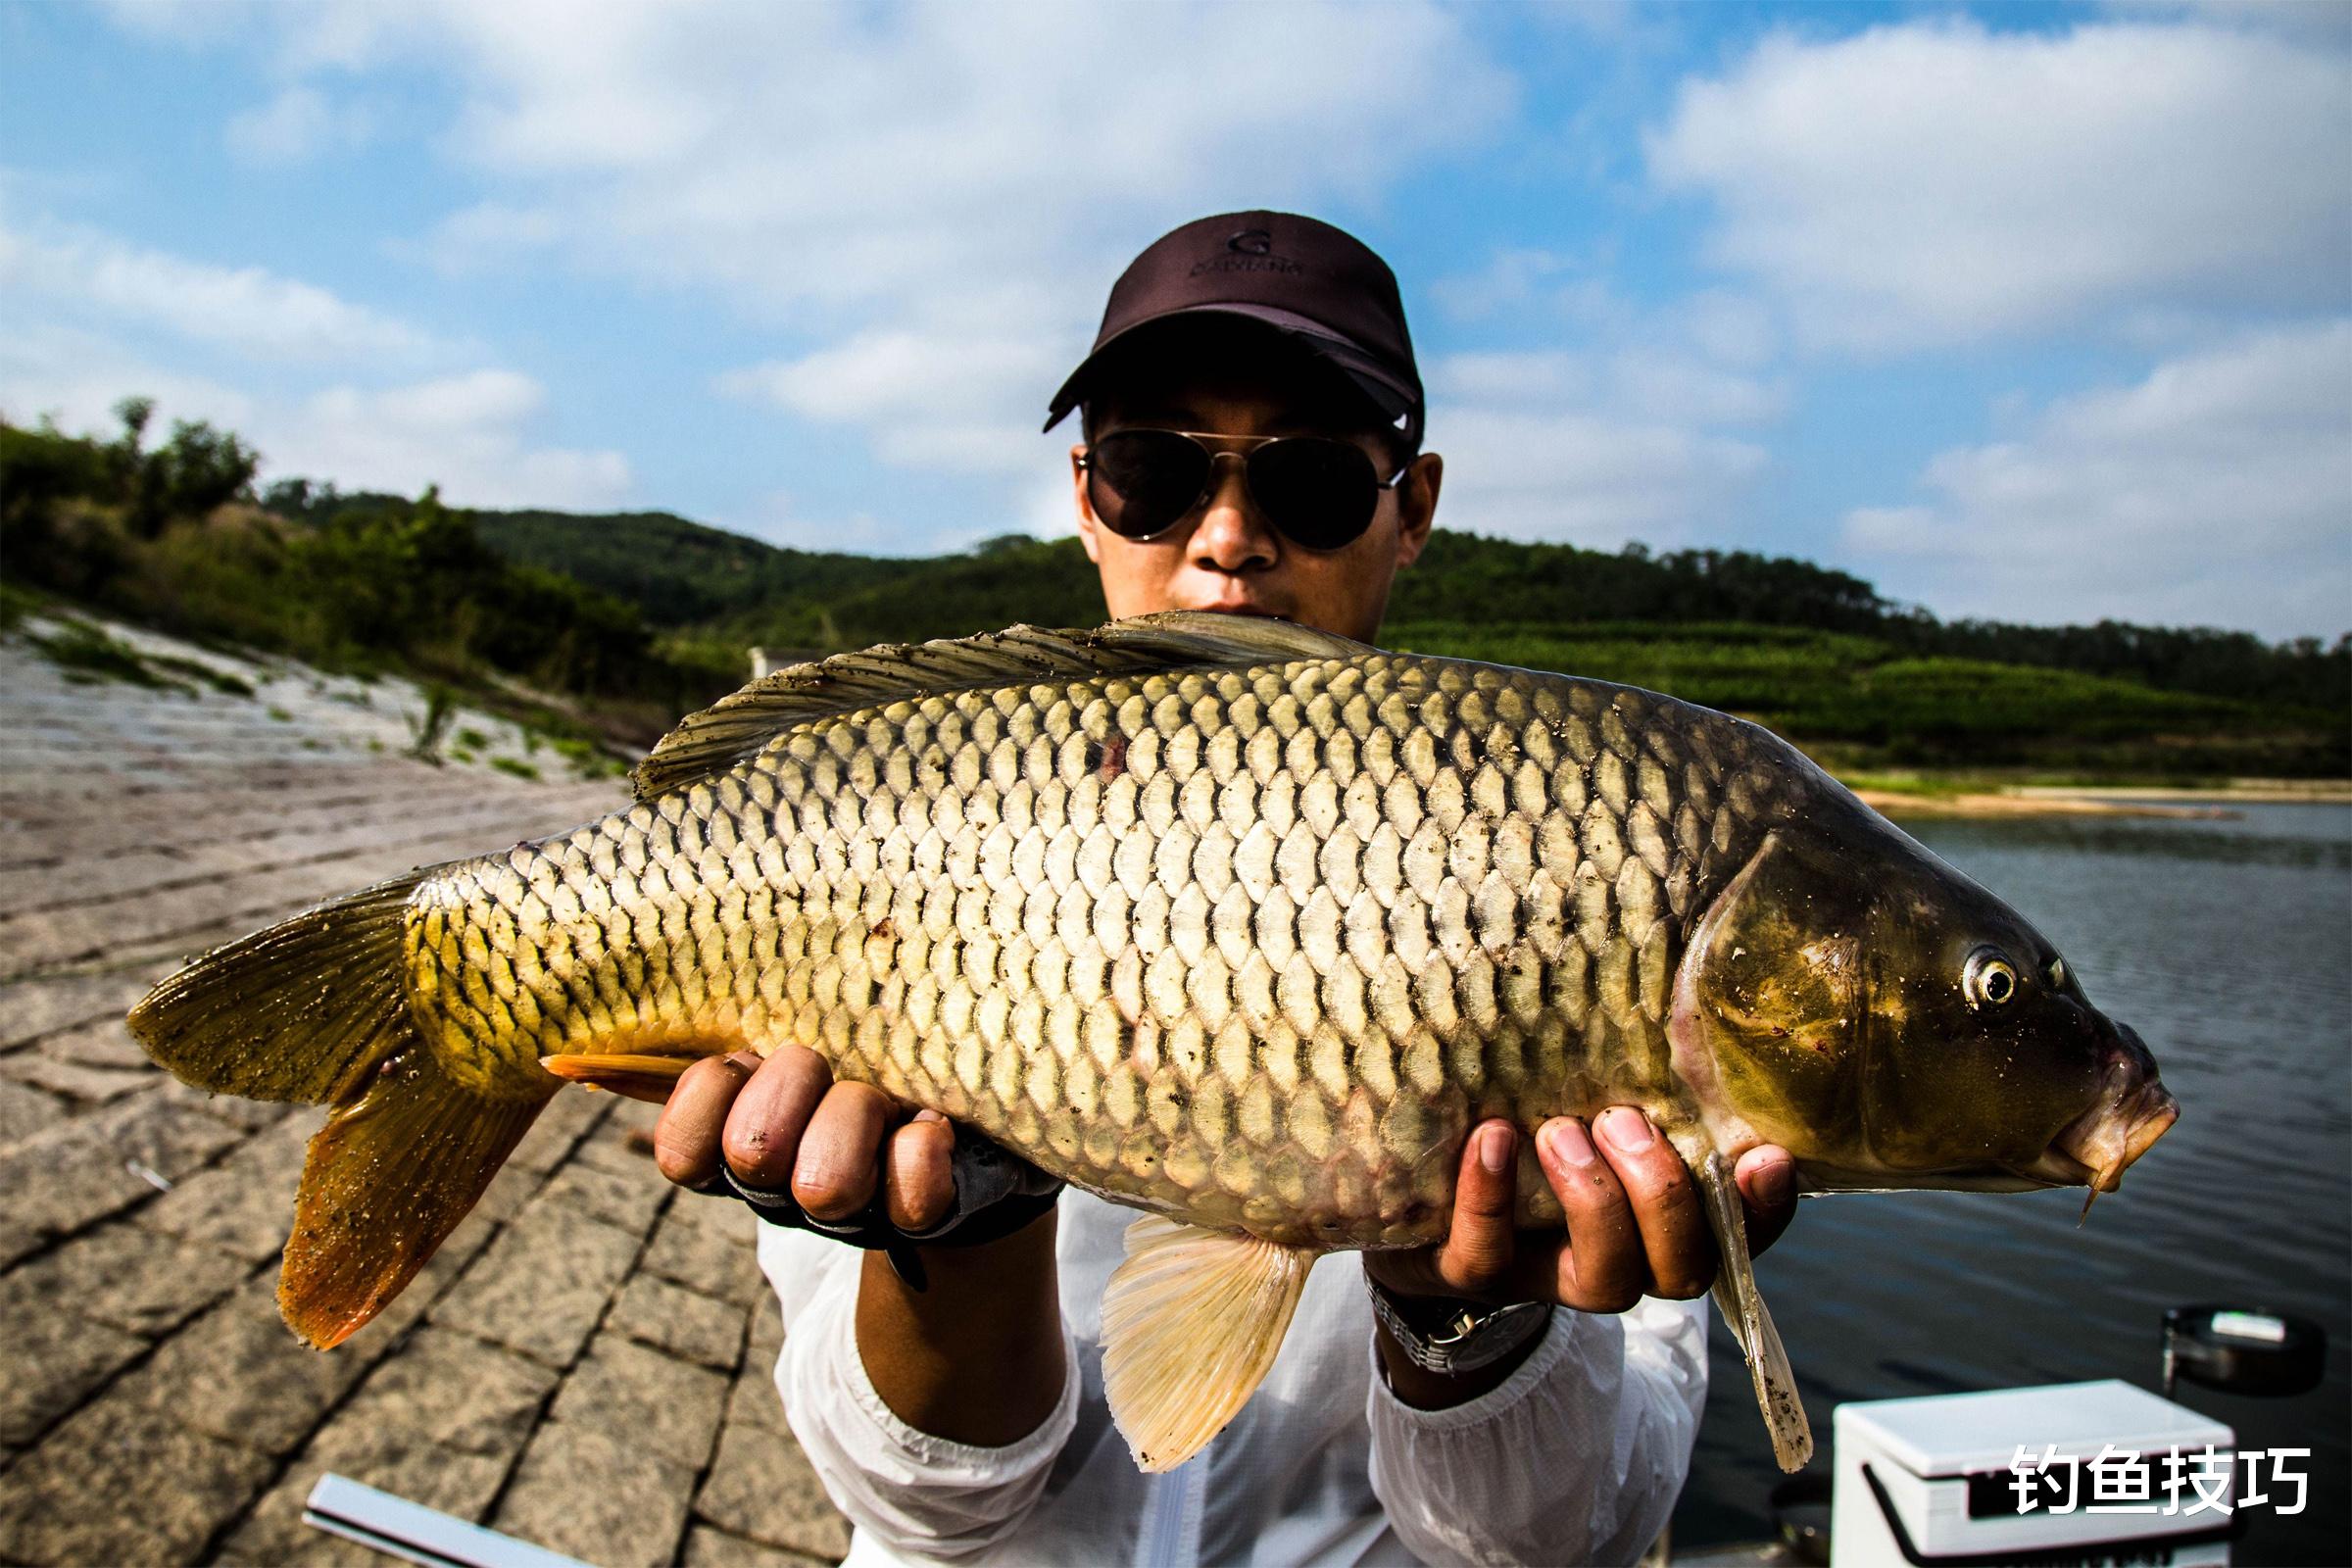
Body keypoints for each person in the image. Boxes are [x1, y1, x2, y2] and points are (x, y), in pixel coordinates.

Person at [654, 212, 1799, 1566]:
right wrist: (964, 1237)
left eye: (1310, 481)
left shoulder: (1589, 853)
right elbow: (922, 1513)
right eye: (1157, 473)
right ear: (1088, 497)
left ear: (1412, 506)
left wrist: (1470, 1321)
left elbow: (1560, 1547)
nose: (1230, 539)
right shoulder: (902, 826)